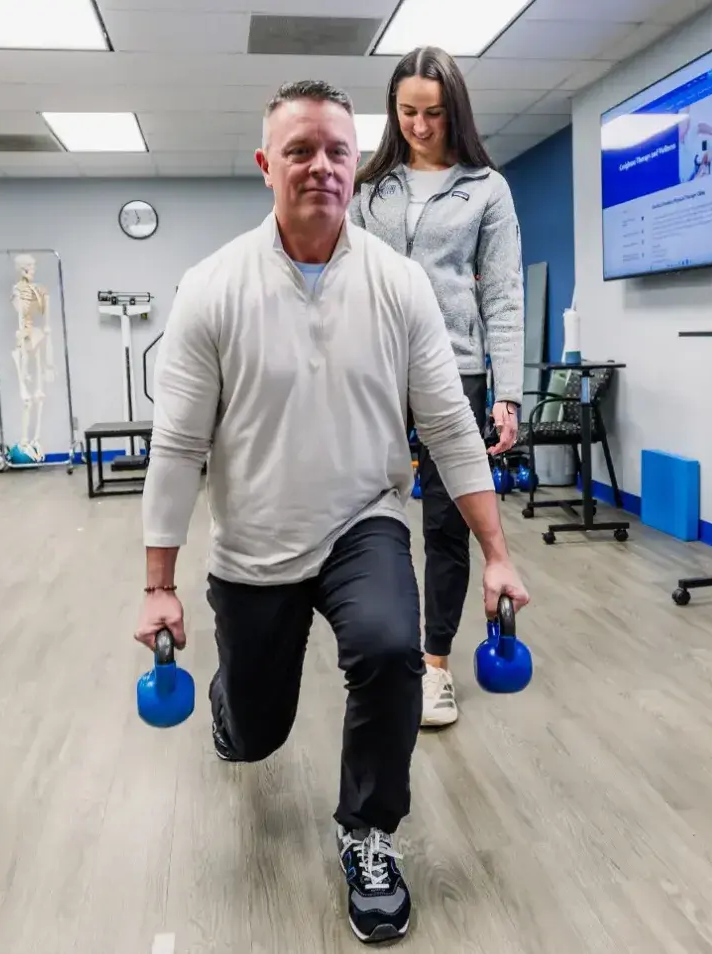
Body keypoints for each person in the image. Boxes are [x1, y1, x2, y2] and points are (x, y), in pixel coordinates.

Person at [135, 79, 530, 944]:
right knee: (256, 737)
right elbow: (176, 450)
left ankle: (369, 834)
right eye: (299, 151)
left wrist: (497, 551)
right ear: (264, 165)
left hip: (365, 517)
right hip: (254, 542)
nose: (319, 166)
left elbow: (450, 431)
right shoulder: (212, 287)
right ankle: (234, 711)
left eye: (337, 151)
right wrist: (158, 584)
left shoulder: (398, 286)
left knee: (393, 650)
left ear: (357, 164)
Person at [349, 46, 525, 729]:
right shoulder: (371, 186)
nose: (420, 126)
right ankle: (378, 652)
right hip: (377, 371)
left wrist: (506, 392)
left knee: (448, 528)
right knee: (373, 515)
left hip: (460, 372)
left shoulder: (486, 188)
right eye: (407, 112)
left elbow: (504, 297)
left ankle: (436, 667)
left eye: (434, 113)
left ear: (456, 111)